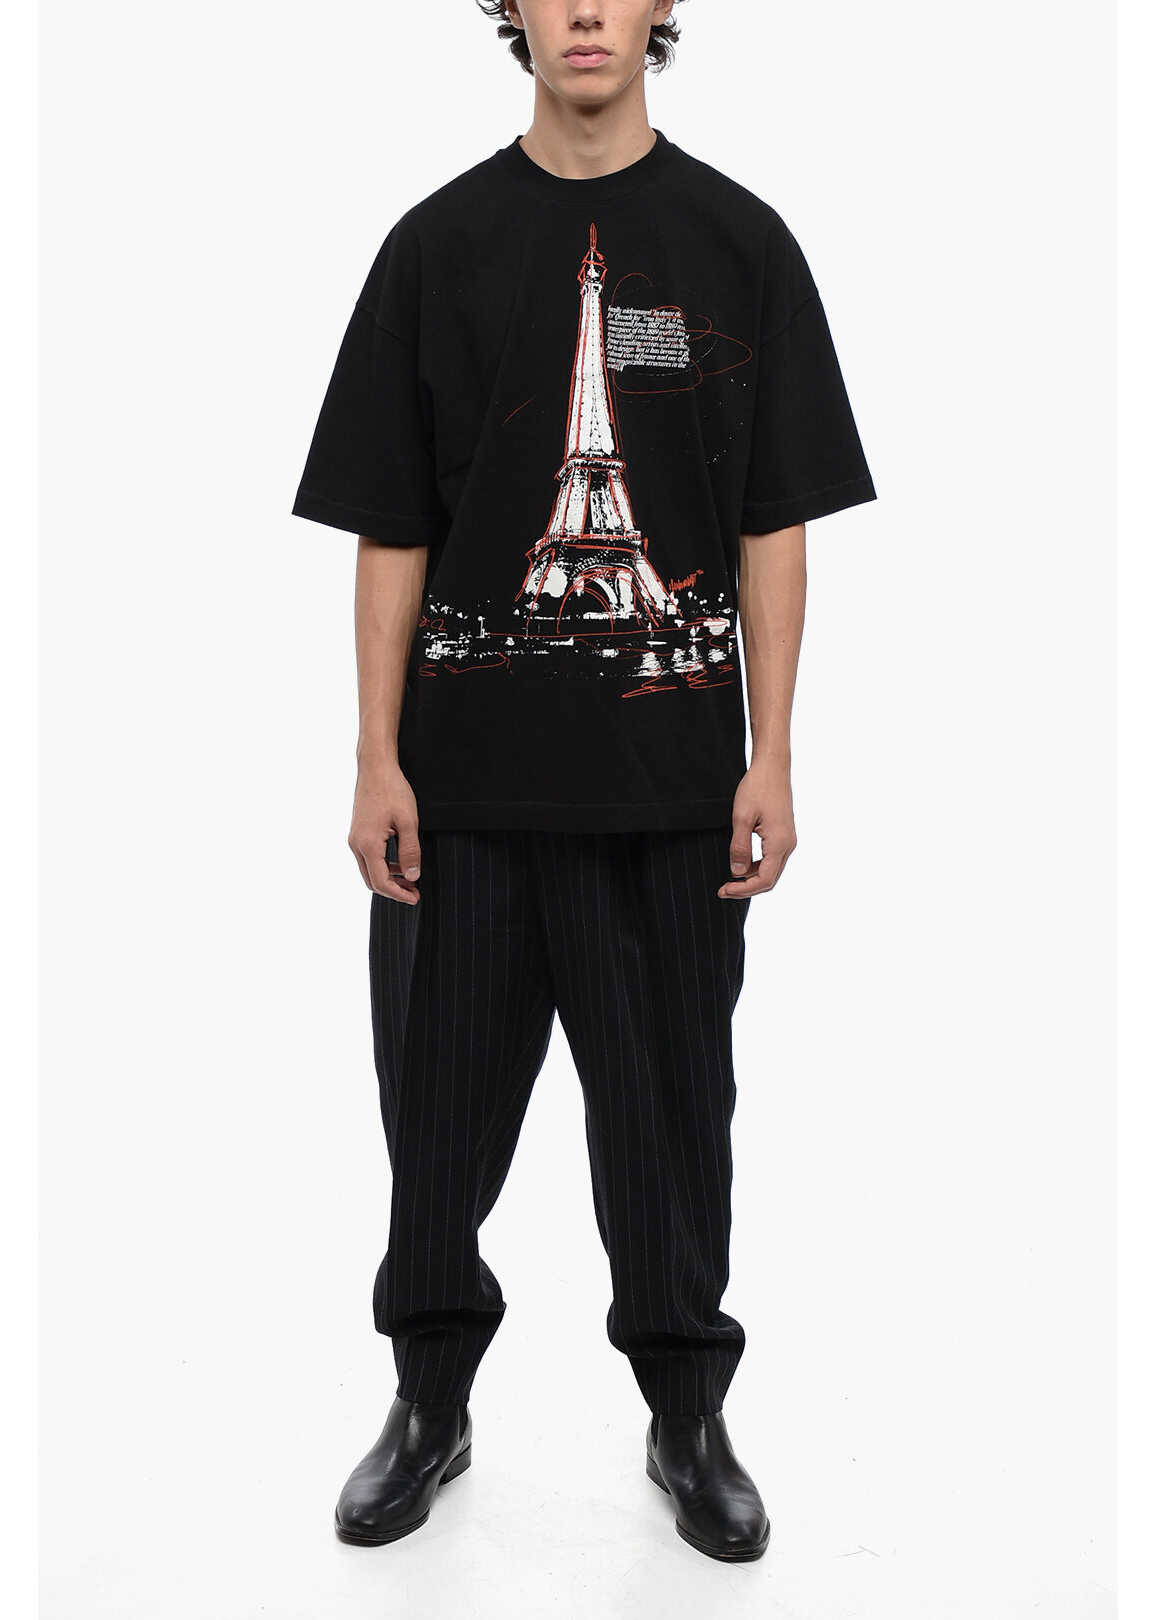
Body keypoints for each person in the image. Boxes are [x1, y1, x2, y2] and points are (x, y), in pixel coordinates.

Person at [293, 0, 874, 1563]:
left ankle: (686, 1412)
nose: (586, 11)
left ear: (662, 7)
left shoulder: (739, 243)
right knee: (436, 1123)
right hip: (461, 796)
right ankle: (429, 1398)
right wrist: (374, 756)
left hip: (669, 798)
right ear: (513, 11)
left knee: (674, 1124)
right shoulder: (435, 247)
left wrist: (770, 750)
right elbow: (393, 523)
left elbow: (768, 522)